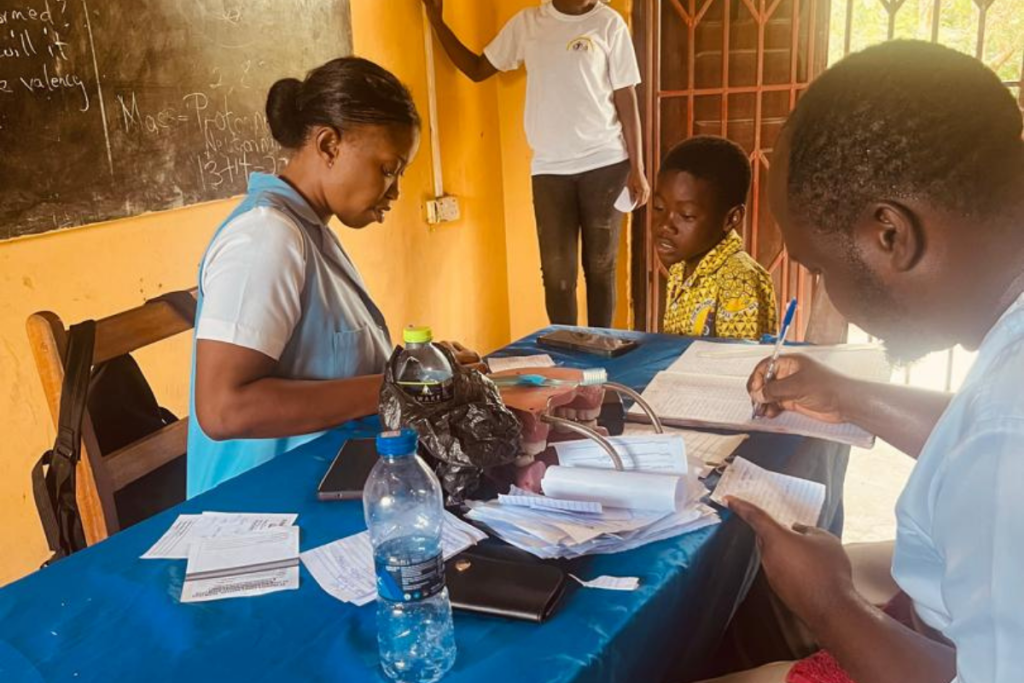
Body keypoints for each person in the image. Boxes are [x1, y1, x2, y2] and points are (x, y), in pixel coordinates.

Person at [701, 41, 1024, 683]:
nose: (823, 290)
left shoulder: (1004, 439)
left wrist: (830, 604)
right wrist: (844, 395)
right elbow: (974, 438)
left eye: (820, 267)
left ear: (889, 235)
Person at [187, 57, 478, 497]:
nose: (395, 190)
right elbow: (225, 409)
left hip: (322, 480)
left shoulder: (308, 230)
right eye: (387, 169)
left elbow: (328, 365)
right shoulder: (266, 236)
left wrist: (420, 368)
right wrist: (397, 388)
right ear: (328, 145)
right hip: (258, 510)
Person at [423, 0, 648, 328]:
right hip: (550, 169)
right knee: (557, 275)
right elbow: (476, 69)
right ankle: (565, 355)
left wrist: (638, 168)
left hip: (606, 163)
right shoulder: (528, 24)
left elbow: (626, 98)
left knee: (601, 268)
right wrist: (437, 24)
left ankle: (601, 349)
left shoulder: (609, 23)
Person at [653, 136, 777, 340]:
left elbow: (735, 368)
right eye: (659, 208)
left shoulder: (739, 282)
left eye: (687, 215)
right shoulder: (679, 268)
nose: (665, 225)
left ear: (731, 218)